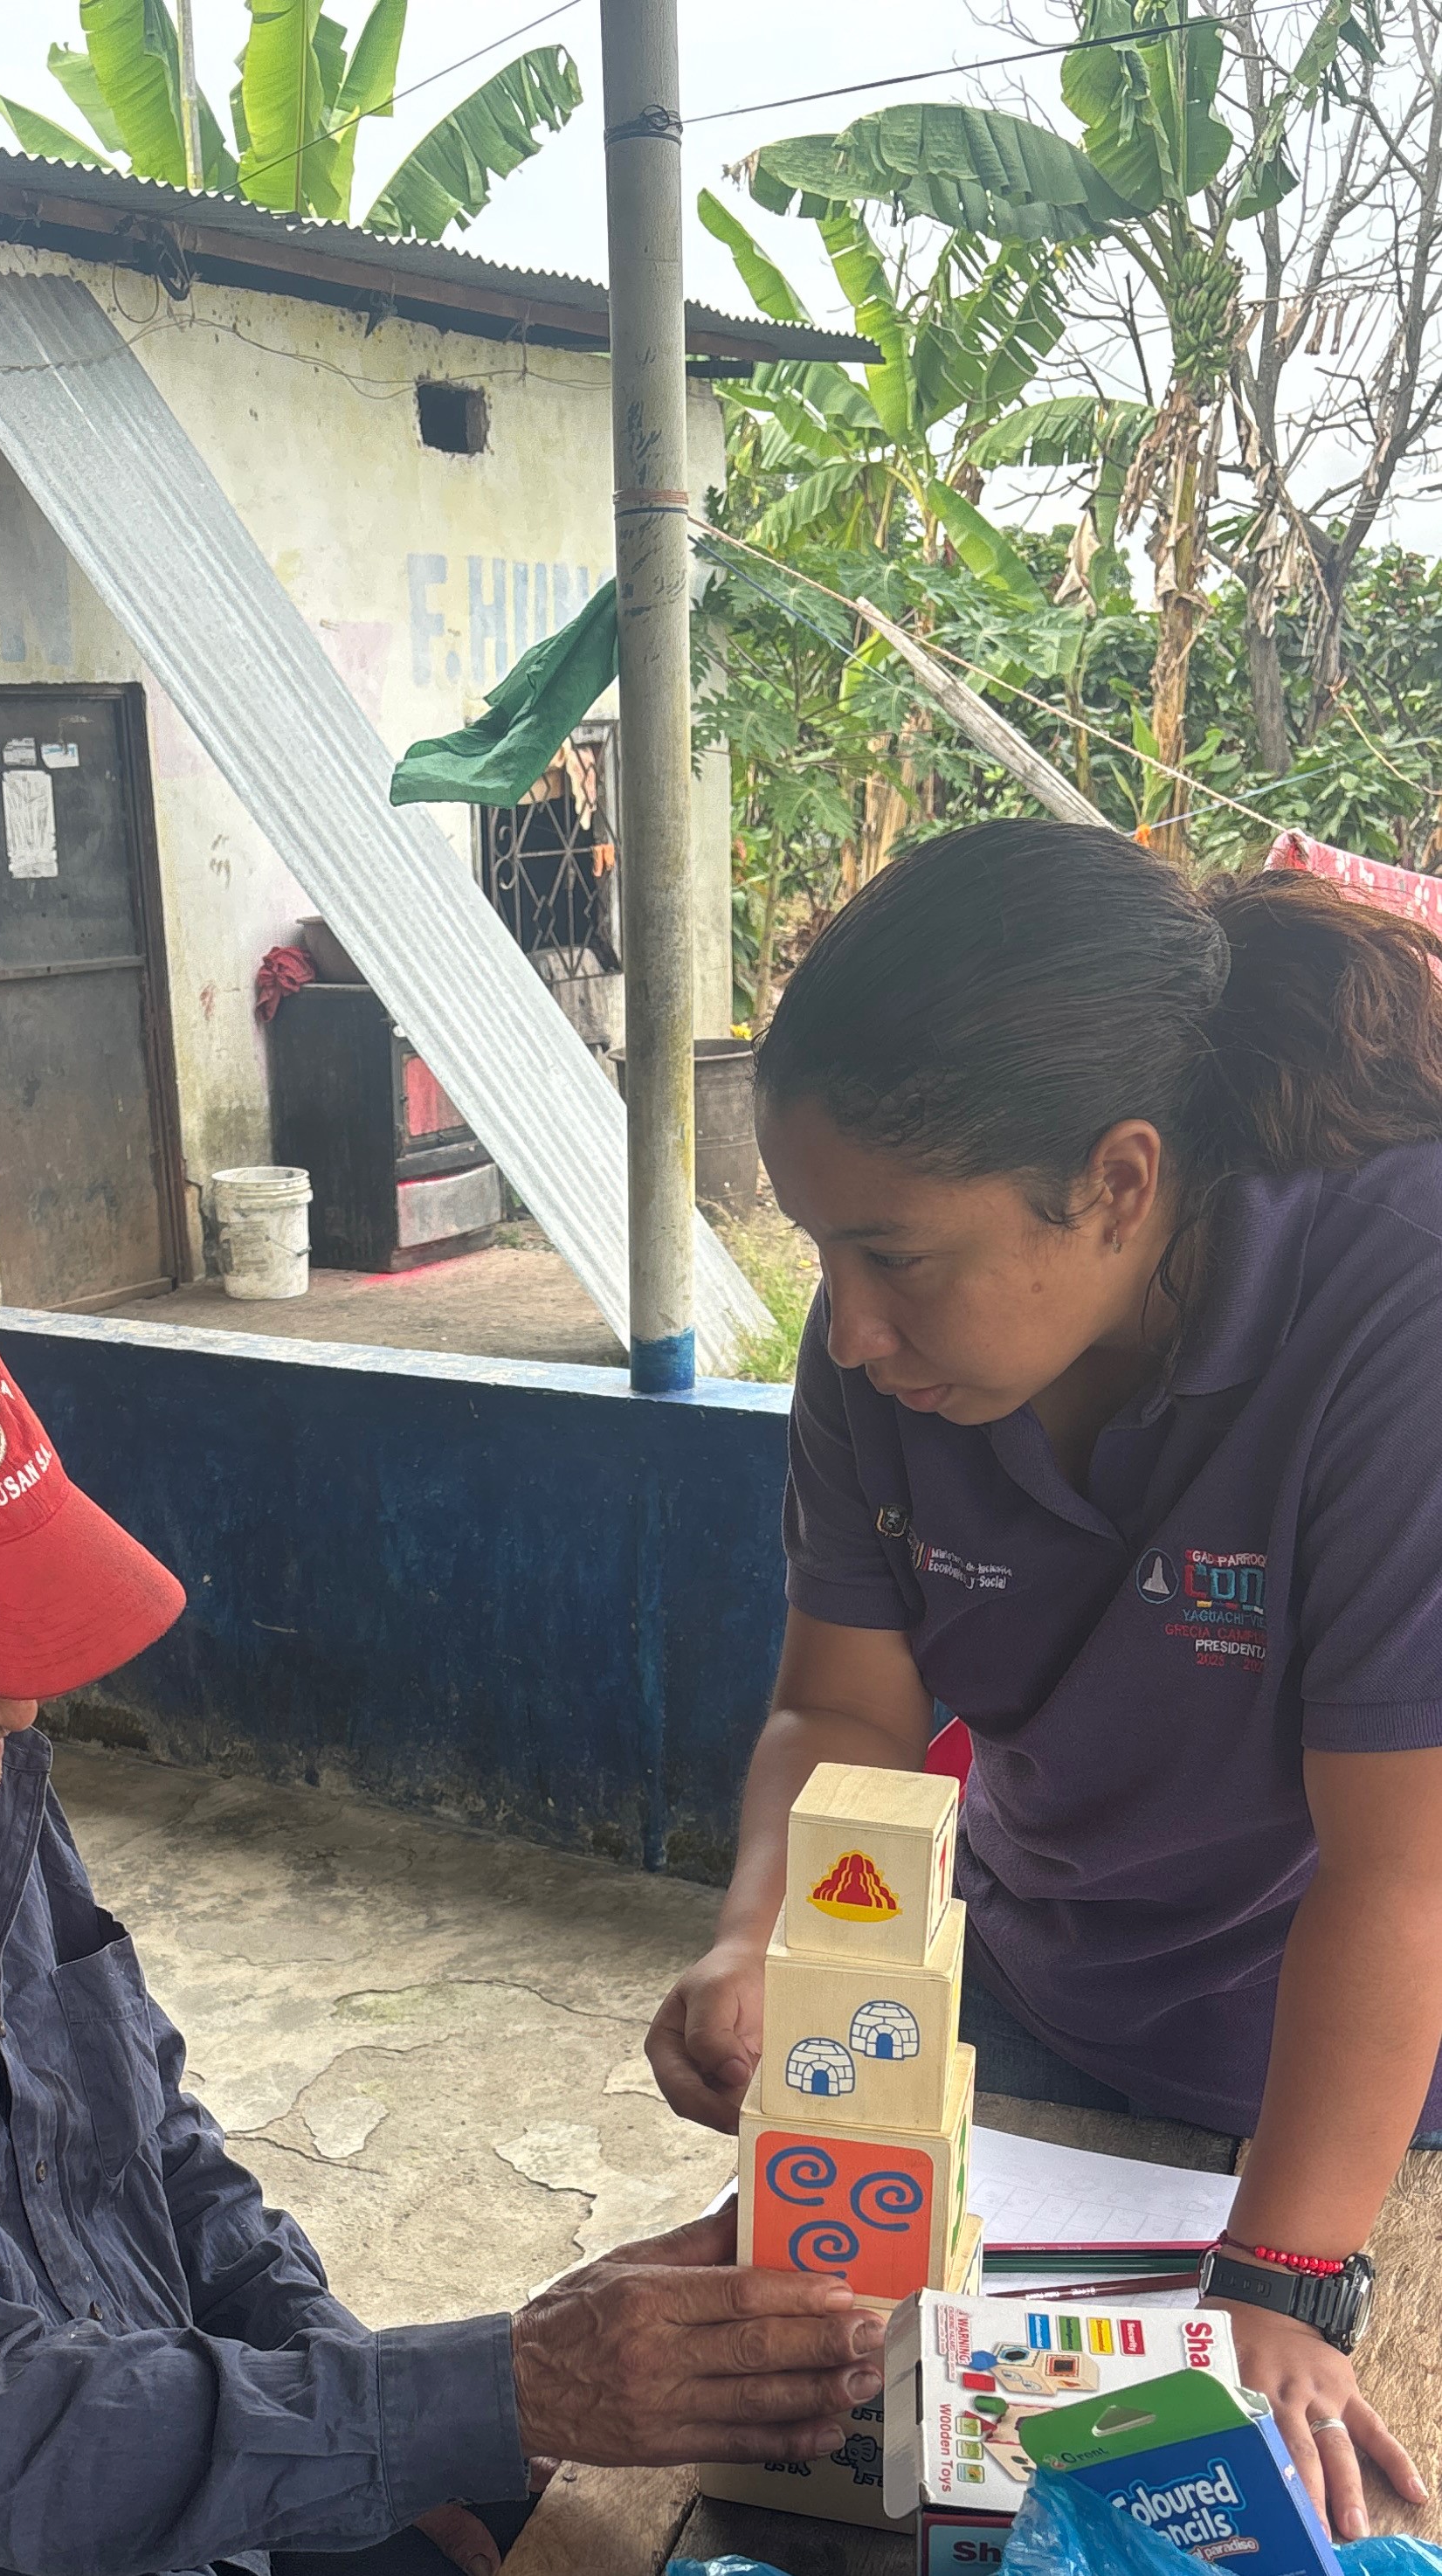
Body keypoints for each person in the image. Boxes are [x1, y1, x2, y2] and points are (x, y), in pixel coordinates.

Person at [0, 1267, 885, 2576]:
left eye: (14, 1619)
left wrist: (388, 2426)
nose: (17, 1701)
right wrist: (495, 2388)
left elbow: (151, 2147)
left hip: (172, 2476)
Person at [646, 822, 1442, 2543]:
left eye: (896, 1255)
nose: (846, 1325)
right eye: (822, 1249)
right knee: (877, 2473)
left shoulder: (1400, 1295)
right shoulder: (884, 1351)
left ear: (1121, 1183)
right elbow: (843, 1710)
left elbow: (1400, 1865)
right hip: (1034, 2003)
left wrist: (1288, 2271)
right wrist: (762, 1932)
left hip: (1344, 2077)